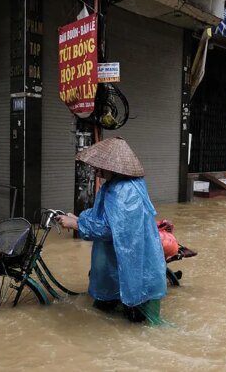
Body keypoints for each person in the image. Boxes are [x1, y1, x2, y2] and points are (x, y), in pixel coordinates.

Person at [56, 137, 166, 324]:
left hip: (131, 261)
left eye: (100, 165)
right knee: (109, 312)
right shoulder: (116, 186)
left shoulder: (123, 192)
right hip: (118, 258)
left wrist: (76, 225)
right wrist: (79, 218)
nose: (95, 169)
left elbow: (111, 230)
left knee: (137, 322)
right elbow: (103, 215)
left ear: (114, 168)